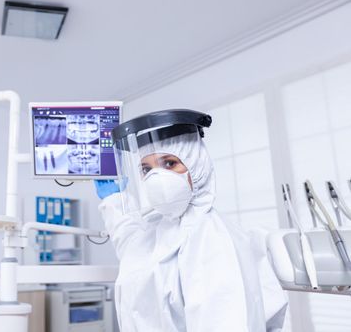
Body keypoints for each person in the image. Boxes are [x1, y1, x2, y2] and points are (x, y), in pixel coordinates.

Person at [95, 109, 287, 331]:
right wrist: (113, 200)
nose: (156, 178)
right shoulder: (161, 228)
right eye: (146, 169)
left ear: (195, 166)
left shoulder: (212, 240)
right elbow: (132, 247)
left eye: (169, 163)